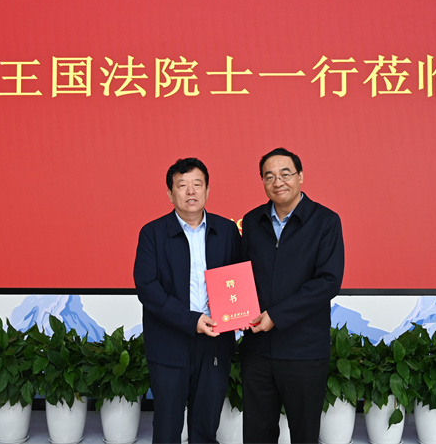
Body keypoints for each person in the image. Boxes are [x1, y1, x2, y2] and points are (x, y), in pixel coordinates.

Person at [240, 147, 345, 444]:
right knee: (257, 435)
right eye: (269, 176)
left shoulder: (325, 221)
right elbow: (240, 275)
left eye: (285, 174)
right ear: (262, 181)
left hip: (304, 351)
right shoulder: (252, 221)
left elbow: (328, 281)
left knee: (304, 434)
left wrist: (276, 315)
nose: (278, 182)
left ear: (300, 176)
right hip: (258, 350)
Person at [134, 157, 241, 444]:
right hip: (169, 342)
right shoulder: (153, 233)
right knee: (167, 427)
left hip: (215, 341)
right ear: (170, 193)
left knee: (206, 426)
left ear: (207, 190)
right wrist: (191, 320)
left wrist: (238, 314)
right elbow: (147, 288)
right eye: (182, 185)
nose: (190, 191)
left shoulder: (227, 231)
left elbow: (238, 279)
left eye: (197, 184)